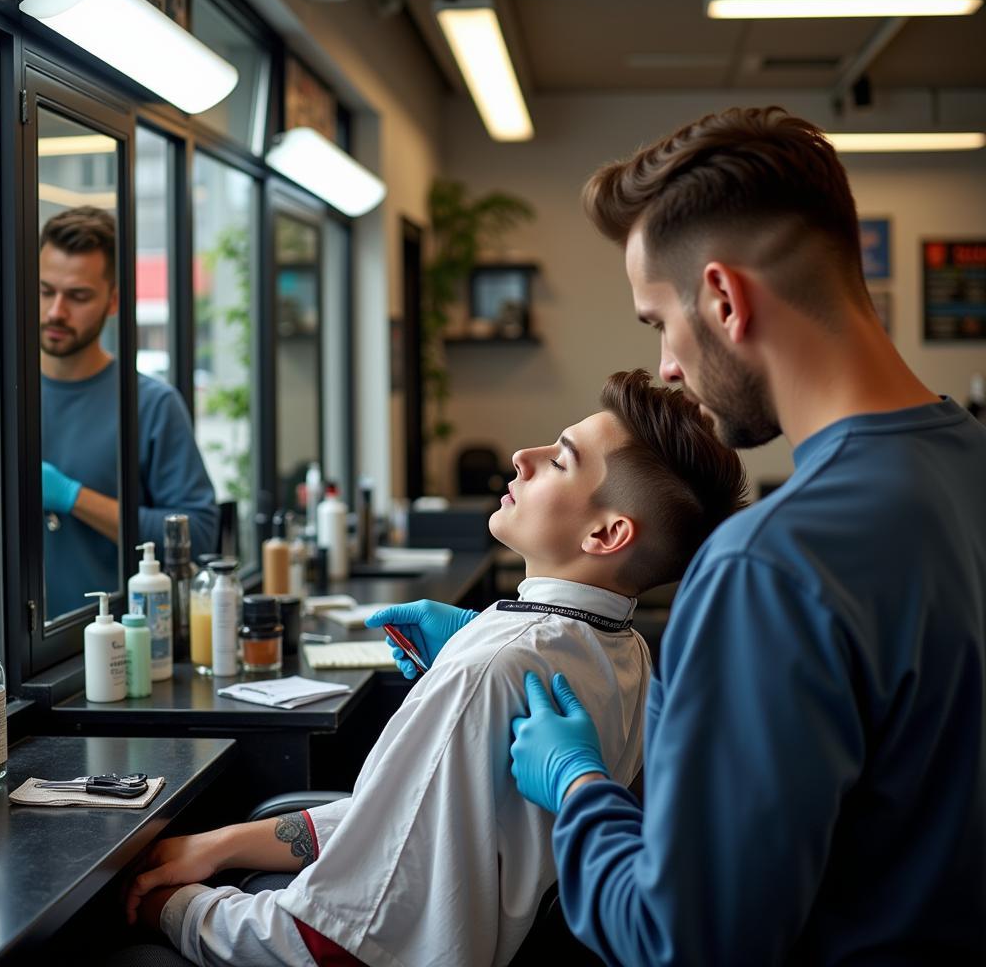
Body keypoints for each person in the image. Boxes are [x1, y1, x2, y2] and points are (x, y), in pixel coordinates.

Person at [407, 107, 986, 963]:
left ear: (722, 299)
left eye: (657, 323)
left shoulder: (769, 567)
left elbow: (680, 942)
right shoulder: (966, 465)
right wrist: (503, 652)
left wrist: (580, 790)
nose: (670, 366)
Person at [118, 369, 747, 967]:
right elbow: (413, 823)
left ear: (606, 535)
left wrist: (180, 911)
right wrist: (223, 843)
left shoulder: (492, 669)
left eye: (558, 460)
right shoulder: (623, 649)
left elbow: (330, 946)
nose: (521, 458)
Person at [40, 206, 218, 618]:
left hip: (124, 646)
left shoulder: (152, 405)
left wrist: (73, 497)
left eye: (78, 296)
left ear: (114, 300)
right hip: (22, 658)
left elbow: (201, 536)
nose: (56, 312)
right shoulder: (5, 404)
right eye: (46, 290)